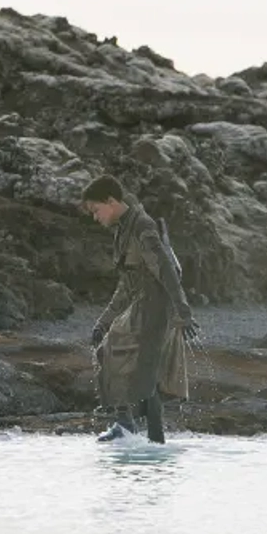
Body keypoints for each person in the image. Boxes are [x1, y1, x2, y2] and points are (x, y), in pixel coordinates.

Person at [80, 175, 200, 443]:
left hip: (156, 308)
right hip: (141, 304)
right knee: (119, 358)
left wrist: (183, 312)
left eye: (96, 210)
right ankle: (139, 434)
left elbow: (166, 269)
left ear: (111, 202)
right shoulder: (123, 229)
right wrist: (104, 321)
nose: (95, 218)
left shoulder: (142, 226)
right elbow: (126, 284)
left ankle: (142, 436)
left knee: (137, 369)